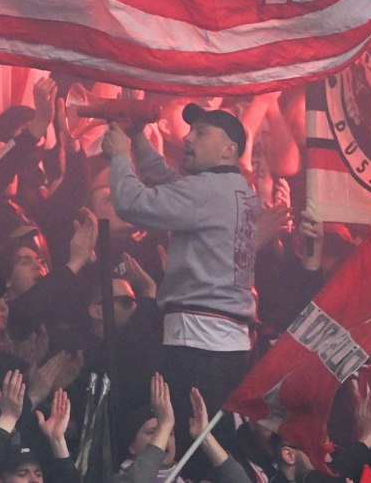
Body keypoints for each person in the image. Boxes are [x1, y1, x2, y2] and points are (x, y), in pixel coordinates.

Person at [104, 103, 260, 412]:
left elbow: (131, 204)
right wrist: (138, 137)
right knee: (211, 444)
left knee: (193, 441)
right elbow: (167, 179)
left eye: (201, 133)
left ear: (229, 149)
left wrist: (120, 156)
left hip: (198, 344)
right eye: (190, 130)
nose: (188, 138)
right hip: (228, 343)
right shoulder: (238, 189)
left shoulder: (206, 191)